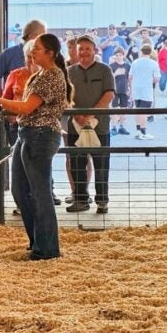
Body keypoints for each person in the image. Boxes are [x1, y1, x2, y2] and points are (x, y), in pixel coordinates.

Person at [0, 33, 71, 260]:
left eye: (37, 49)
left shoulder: (51, 76)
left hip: (40, 134)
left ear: (50, 53)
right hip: (27, 133)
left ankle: (47, 248)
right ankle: (38, 240)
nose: (32, 52)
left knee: (39, 192)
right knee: (20, 190)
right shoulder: (40, 74)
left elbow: (27, 108)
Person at [65, 35, 115, 213]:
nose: (84, 52)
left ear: (95, 50)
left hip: (99, 125)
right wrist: (76, 114)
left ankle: (102, 201)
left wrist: (91, 114)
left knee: (101, 164)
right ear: (75, 52)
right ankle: (80, 199)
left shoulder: (104, 70)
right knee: (77, 163)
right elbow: (64, 97)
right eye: (80, 49)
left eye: (88, 49)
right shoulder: (69, 71)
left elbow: (109, 94)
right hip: (75, 125)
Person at [0, 20, 46, 96]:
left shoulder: (46, 54)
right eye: (43, 36)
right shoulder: (8, 54)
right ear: (31, 36)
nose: (45, 39)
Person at [129, 44, 160, 140]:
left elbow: (130, 77)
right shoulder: (153, 63)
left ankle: (138, 130)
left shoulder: (135, 62)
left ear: (141, 51)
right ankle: (143, 131)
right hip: (146, 89)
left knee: (137, 109)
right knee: (144, 110)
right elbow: (156, 78)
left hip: (136, 88)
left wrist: (131, 88)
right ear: (151, 52)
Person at [108, 46, 131, 136]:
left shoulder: (127, 66)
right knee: (114, 108)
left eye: (120, 55)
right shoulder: (111, 66)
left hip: (124, 89)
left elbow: (129, 79)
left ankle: (122, 126)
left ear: (123, 55)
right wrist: (116, 74)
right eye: (117, 55)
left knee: (123, 108)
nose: (118, 57)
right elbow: (109, 78)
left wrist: (130, 90)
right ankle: (113, 126)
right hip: (115, 90)